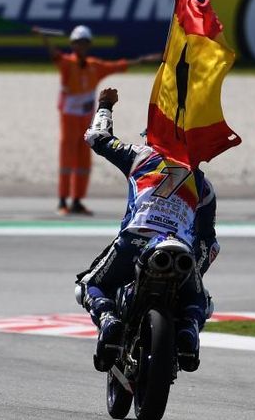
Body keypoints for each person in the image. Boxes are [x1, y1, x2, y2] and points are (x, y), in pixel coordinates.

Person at [74, 88, 220, 374]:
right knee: (201, 301)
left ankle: (108, 320)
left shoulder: (141, 156)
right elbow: (209, 242)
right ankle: (189, 332)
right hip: (181, 248)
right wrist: (196, 274)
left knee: (88, 285)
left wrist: (105, 105)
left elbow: (97, 137)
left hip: (136, 239)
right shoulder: (204, 185)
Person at [38, 25, 160, 216]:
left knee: (83, 163)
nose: (81, 47)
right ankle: (62, 201)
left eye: (85, 43)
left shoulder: (95, 66)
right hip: (69, 121)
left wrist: (143, 61)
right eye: (78, 43)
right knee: (67, 160)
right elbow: (55, 55)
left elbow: (118, 66)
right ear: (72, 45)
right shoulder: (66, 63)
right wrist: (45, 39)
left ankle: (77, 201)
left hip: (86, 122)